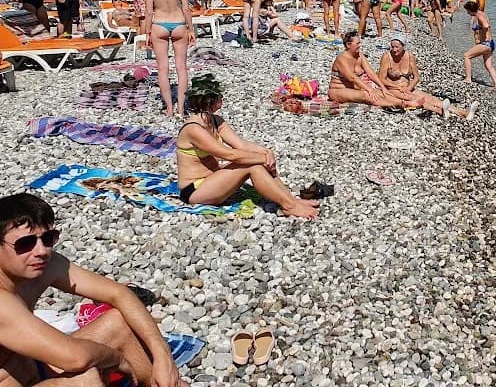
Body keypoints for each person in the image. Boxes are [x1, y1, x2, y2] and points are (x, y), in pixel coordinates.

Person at [0, 192, 186, 386]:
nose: (40, 251)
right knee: (84, 377)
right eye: (25, 244)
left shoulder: (43, 264)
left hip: (31, 370)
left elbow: (119, 293)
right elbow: (75, 357)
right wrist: (117, 359)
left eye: (48, 238)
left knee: (118, 323)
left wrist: (162, 355)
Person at [175, 74, 318, 219]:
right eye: (220, 96)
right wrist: (261, 158)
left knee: (258, 162)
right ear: (211, 100)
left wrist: (267, 152)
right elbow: (229, 154)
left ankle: (291, 200)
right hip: (194, 190)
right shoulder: (193, 129)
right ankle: (290, 206)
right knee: (253, 164)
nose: (222, 99)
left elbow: (240, 145)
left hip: (212, 180)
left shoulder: (215, 121)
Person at [144, 0, 195, 118]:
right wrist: (191, 29)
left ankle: (169, 110)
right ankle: (181, 108)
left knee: (162, 68)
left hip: (159, 24)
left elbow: (149, 12)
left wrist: (147, 33)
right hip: (179, 22)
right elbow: (186, 8)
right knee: (182, 67)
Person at [378, 33, 478, 120]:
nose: (394, 50)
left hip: (408, 88)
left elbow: (416, 77)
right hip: (392, 88)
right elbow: (381, 78)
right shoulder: (387, 56)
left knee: (432, 98)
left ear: (403, 46)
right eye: (392, 47)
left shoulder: (409, 56)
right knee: (415, 98)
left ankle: (463, 112)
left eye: (397, 47)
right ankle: (441, 111)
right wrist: (398, 87)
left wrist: (409, 87)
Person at [328, 31, 406, 108]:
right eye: (357, 43)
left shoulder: (360, 56)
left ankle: (402, 103)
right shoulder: (341, 59)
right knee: (366, 94)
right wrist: (368, 89)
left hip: (352, 89)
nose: (360, 46)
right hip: (338, 90)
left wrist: (382, 87)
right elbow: (351, 77)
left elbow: (371, 73)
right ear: (348, 45)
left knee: (382, 93)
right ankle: (393, 105)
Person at [463, 0, 496, 90]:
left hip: (486, 43)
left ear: (471, 10)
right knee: (489, 66)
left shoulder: (479, 15)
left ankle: (468, 79)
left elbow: (486, 25)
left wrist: (486, 35)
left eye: (467, 11)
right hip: (491, 44)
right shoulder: (481, 13)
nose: (467, 13)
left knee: (466, 56)